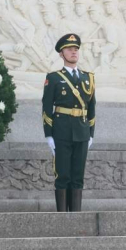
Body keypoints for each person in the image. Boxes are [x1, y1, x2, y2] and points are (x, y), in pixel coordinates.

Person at [41, 34, 96, 212]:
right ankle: (63, 218)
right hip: (61, 131)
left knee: (78, 175)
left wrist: (91, 134)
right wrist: (49, 134)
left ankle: (76, 216)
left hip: (82, 131)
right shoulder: (54, 78)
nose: (73, 52)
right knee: (63, 174)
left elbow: (91, 108)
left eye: (76, 49)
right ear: (61, 54)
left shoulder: (88, 78)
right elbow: (47, 107)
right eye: (69, 49)